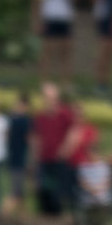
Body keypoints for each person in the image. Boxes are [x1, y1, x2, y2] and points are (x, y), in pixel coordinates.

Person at [33, 83, 78, 216]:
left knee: (57, 193)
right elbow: (37, 137)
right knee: (43, 190)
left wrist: (65, 150)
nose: (48, 100)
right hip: (44, 159)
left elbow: (74, 132)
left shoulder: (65, 114)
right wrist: (36, 154)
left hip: (59, 160)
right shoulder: (41, 116)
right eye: (46, 97)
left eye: (51, 97)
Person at [35, 0, 81, 82]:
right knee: (47, 51)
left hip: (65, 19)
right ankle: (44, 80)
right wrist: (38, 20)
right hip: (50, 18)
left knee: (66, 51)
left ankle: (65, 81)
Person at [4, 89, 34, 212]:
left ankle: (19, 212)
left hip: (21, 156)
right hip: (14, 156)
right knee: (16, 188)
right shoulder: (12, 119)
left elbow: (29, 139)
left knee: (19, 189)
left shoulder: (26, 121)